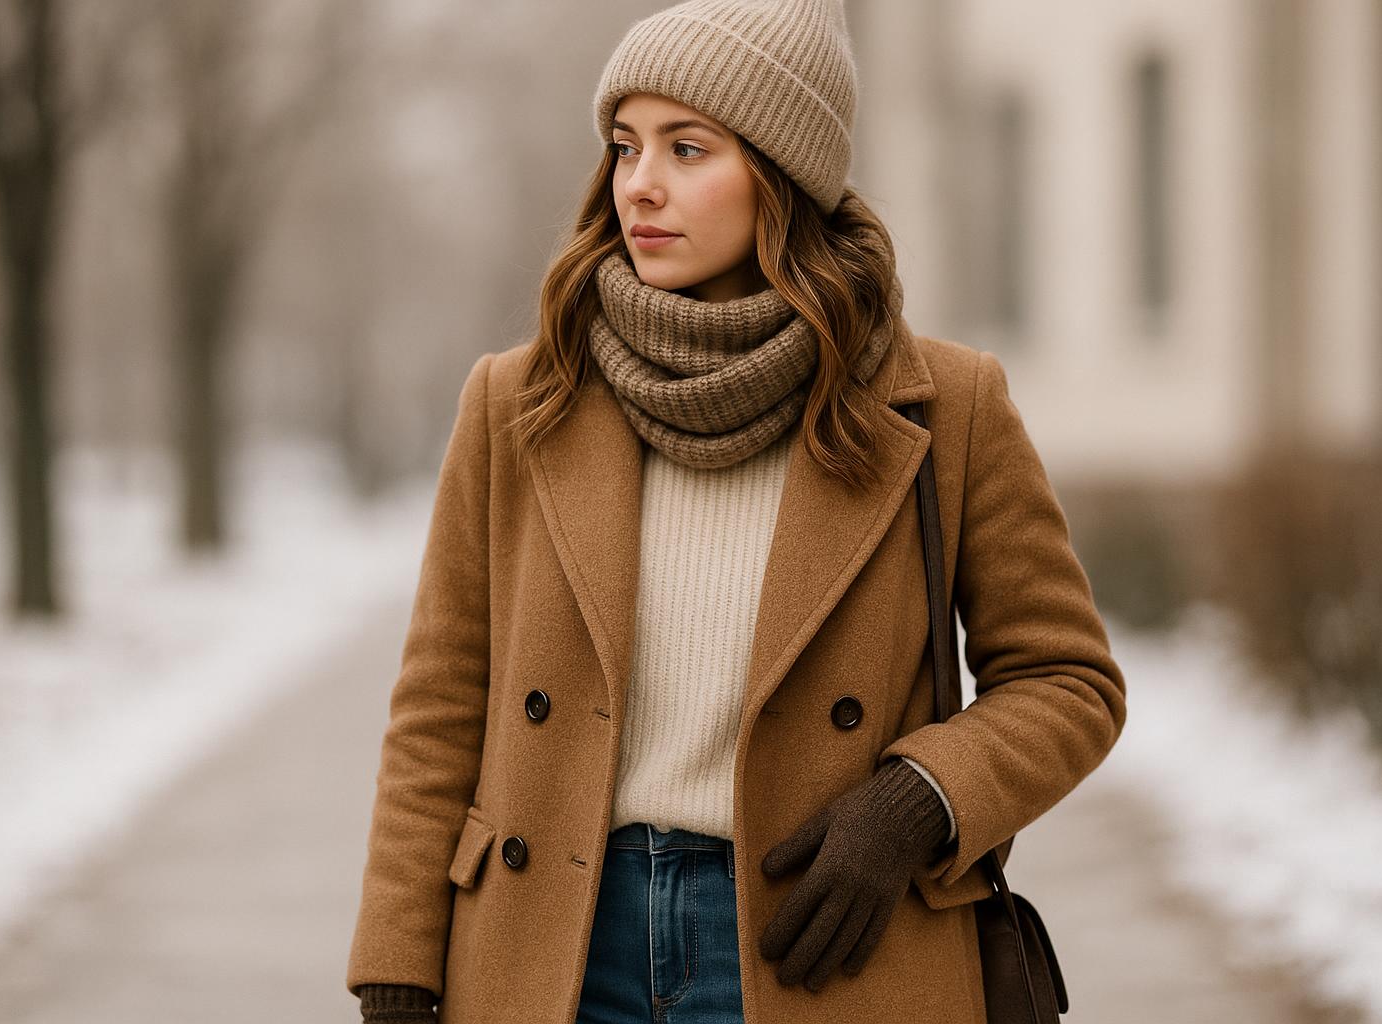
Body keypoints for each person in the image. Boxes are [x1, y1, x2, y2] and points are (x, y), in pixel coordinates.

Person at [345, 1, 1127, 1022]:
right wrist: (399, 967)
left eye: (687, 146)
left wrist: (914, 804)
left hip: (819, 944)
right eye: (625, 146)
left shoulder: (942, 407)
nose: (641, 183)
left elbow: (1069, 681)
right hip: (554, 946)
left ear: (783, 172)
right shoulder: (520, 399)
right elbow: (442, 705)